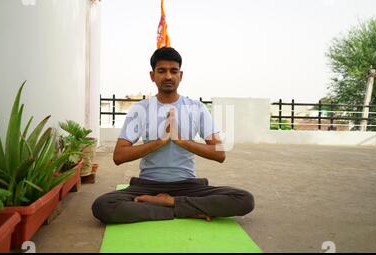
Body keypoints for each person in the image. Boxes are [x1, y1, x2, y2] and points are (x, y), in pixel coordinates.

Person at [92, 47, 254, 223]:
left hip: (187, 185)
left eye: (173, 71)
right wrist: (160, 141)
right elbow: (119, 156)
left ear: (180, 75)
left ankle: (167, 203)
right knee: (103, 205)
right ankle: (183, 209)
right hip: (147, 185)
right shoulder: (140, 109)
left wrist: (179, 140)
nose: (168, 76)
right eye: (161, 71)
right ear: (152, 75)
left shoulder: (196, 108)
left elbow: (219, 153)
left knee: (244, 199)